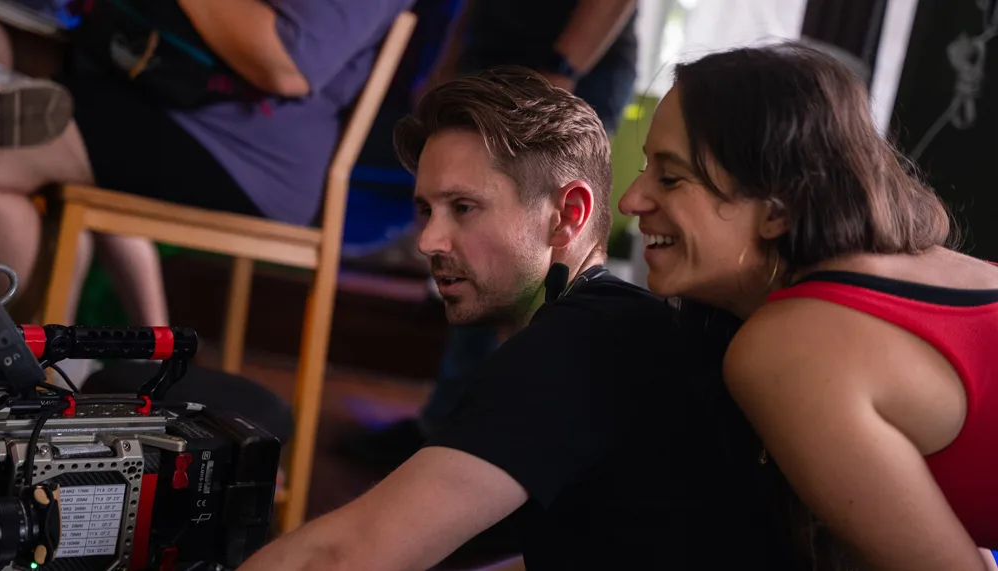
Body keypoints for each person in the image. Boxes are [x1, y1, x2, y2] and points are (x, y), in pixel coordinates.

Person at [236, 67, 798, 571]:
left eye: (463, 207)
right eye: (426, 210)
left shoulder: (579, 347)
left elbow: (342, 556)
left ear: (568, 216)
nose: (428, 241)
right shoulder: (622, 325)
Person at [618, 42, 998, 570]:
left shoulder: (791, 348)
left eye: (671, 177)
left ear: (777, 209)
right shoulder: (923, 271)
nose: (631, 200)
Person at [0, 0, 411, 327]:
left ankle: (38, 375)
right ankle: (61, 362)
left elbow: (286, 63)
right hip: (158, 79)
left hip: (239, 149)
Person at [344, 0, 639, 471]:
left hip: (568, 68)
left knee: (540, 266)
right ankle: (452, 430)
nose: (426, 242)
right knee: (477, 262)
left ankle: (509, 450)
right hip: (492, 56)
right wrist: (449, 61)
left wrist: (562, 70)